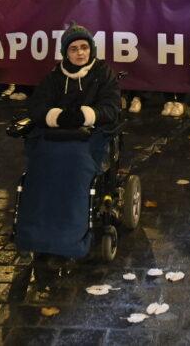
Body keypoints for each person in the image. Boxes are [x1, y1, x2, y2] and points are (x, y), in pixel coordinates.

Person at [17, 23, 123, 265]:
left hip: (88, 137)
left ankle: (70, 239)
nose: (80, 53)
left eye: (84, 47)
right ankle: (33, 235)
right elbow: (36, 107)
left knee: (74, 164)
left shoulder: (103, 74)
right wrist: (57, 117)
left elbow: (111, 107)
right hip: (54, 134)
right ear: (66, 52)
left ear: (91, 49)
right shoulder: (54, 77)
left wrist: (85, 115)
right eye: (74, 49)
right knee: (40, 164)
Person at [156, 0, 190, 117]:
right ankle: (168, 99)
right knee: (165, 66)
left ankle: (181, 101)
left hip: (182, 30)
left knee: (181, 66)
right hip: (164, 29)